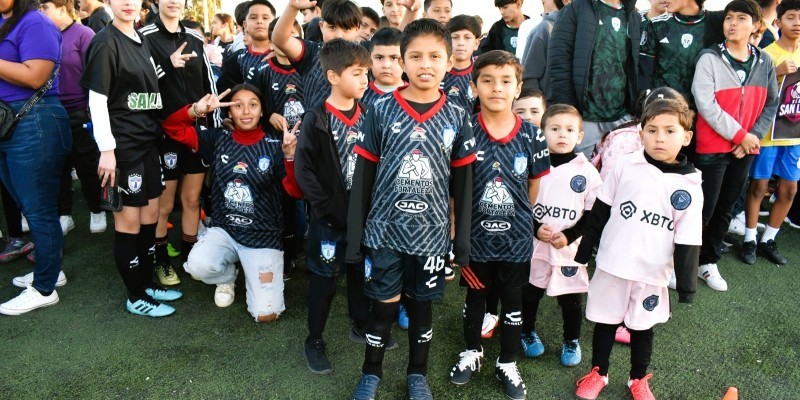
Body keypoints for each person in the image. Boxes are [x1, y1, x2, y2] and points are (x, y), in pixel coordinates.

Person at [346, 19, 476, 400]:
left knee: (422, 308)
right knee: (383, 307)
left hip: (432, 234)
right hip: (385, 231)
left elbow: (464, 185)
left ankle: (417, 375)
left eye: (435, 56)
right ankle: (371, 374)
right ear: (402, 61)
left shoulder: (457, 115)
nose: (425, 64)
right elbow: (364, 178)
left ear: (449, 62)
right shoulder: (380, 110)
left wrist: (461, 241)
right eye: (415, 56)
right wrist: (356, 236)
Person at [573, 97, 701, 400]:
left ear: (687, 137)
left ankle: (638, 379)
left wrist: (687, 286)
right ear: (640, 133)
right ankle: (598, 373)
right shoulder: (625, 165)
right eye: (652, 130)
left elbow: (688, 239)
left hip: (651, 274)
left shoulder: (691, 186)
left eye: (670, 131)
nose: (660, 138)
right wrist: (583, 251)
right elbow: (601, 210)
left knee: (642, 329)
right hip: (612, 264)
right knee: (605, 322)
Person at [448, 50, 550, 400]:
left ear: (518, 87)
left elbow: (534, 184)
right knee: (476, 296)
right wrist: (454, 227)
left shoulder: (533, 136)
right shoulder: (464, 130)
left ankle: (507, 361)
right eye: (487, 80)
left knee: (513, 299)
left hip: (517, 239)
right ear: (474, 86)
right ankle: (472, 350)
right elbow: (453, 186)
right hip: (475, 238)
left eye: (506, 81)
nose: (497, 88)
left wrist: (520, 218)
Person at [164, 84, 302, 322]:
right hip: (224, 231)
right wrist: (197, 110)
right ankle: (228, 276)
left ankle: (253, 272)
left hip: (262, 237)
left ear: (261, 112)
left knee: (266, 315)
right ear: (229, 112)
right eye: (238, 105)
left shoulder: (275, 145)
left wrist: (290, 156)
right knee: (197, 265)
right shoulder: (218, 139)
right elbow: (171, 127)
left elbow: (296, 191)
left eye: (253, 105)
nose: (246, 111)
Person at [82, 0, 182, 317]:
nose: (127, 3)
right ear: (108, 2)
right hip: (123, 149)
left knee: (152, 216)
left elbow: (147, 87)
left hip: (148, 142)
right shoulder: (104, 42)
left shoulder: (140, 38)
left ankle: (145, 282)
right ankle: (135, 296)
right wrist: (107, 150)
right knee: (129, 223)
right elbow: (96, 101)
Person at [294, 38, 379, 374]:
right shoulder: (316, 119)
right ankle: (314, 339)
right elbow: (304, 171)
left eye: (366, 74)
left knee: (360, 273)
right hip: (329, 222)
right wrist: (329, 209)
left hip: (364, 219)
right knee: (324, 280)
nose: (365, 81)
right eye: (357, 74)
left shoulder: (369, 115)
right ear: (332, 76)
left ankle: (361, 323)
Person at [691, 0, 779, 292]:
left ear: (756, 26)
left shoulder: (764, 61)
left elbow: (770, 103)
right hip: (712, 145)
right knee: (702, 209)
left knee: (726, 208)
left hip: (745, 148)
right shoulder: (709, 57)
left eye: (742, 18)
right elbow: (706, 103)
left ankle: (708, 262)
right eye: (729, 17)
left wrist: (750, 137)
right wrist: (741, 135)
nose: (732, 23)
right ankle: (683, 262)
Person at [140, 0, 219, 286]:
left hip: (196, 131)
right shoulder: (144, 36)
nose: (174, 1)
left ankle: (189, 257)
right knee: (163, 205)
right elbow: (139, 83)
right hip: (164, 133)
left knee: (191, 200)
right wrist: (166, 65)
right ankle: (162, 261)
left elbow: (210, 84)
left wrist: (214, 120)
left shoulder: (196, 37)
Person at [0, 0, 71, 315]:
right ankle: (52, 269)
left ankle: (44, 288)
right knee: (26, 204)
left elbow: (35, 76)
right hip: (10, 124)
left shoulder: (35, 22)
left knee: (38, 209)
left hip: (34, 121)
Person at [520, 104, 600, 370]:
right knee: (530, 292)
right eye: (554, 129)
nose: (562, 134)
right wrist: (534, 226)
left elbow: (593, 213)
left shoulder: (587, 171)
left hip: (569, 250)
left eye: (569, 129)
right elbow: (519, 201)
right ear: (543, 133)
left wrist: (570, 234)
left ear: (579, 135)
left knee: (571, 299)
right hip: (534, 246)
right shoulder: (533, 165)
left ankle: (571, 340)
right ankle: (526, 331)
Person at [740, 0, 800, 266]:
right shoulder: (767, 53)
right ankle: (750, 238)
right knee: (759, 186)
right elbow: (750, 90)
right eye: (790, 17)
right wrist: (775, 72)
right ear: (779, 21)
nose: (797, 23)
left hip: (795, 133)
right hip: (767, 132)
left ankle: (769, 238)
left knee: (789, 189)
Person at [39, 0, 105, 237]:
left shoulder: (84, 33)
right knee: (57, 166)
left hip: (80, 111)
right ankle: (64, 214)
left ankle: (96, 208)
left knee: (87, 164)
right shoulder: (43, 35)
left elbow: (97, 73)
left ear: (61, 8)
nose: (41, 12)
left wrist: (91, 108)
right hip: (51, 110)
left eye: (45, 7)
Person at [547, 0, 641, 158]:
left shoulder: (634, 15)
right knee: (585, 177)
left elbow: (635, 66)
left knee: (619, 175)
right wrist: (569, 112)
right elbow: (559, 62)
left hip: (622, 116)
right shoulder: (575, 9)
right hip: (585, 117)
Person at [272, 0, 363, 110]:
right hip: (315, 125)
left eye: (346, 28)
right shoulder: (310, 52)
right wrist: (292, 7)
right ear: (321, 26)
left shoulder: (365, 56)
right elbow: (280, 40)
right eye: (332, 27)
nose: (339, 35)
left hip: (355, 126)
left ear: (357, 29)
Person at [638, 0, 725, 110]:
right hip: (663, 109)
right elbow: (644, 73)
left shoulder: (717, 22)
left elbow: (749, 8)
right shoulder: (656, 25)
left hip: (704, 111)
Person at [217, 0, 276, 93]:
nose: (259, 21)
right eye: (253, 17)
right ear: (245, 25)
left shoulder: (288, 55)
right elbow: (225, 94)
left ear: (275, 23)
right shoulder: (235, 60)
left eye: (265, 18)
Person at [520, 0, 568, 94]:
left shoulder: (586, 30)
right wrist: (538, 106)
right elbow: (529, 77)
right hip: (550, 105)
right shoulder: (544, 30)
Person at [443, 15, 481, 111]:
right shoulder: (437, 70)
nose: (461, 43)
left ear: (476, 44)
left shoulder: (480, 74)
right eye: (455, 37)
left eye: (467, 38)